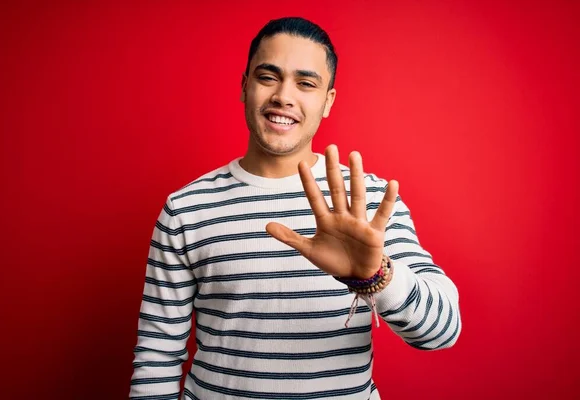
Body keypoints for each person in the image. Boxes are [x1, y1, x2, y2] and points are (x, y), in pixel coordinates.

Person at [129, 16, 461, 400]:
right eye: (268, 77)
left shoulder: (369, 201)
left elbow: (443, 331)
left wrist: (374, 276)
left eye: (306, 83)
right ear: (244, 86)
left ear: (327, 102)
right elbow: (157, 355)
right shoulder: (185, 208)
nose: (284, 96)